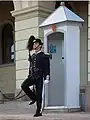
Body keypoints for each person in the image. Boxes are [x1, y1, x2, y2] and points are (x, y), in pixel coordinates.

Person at [21, 38, 50, 117]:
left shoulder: (43, 56)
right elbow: (31, 67)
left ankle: (39, 111)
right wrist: (29, 75)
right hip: (33, 76)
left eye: (36, 44)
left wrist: (47, 77)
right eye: (34, 44)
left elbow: (46, 67)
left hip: (40, 77)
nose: (34, 45)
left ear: (40, 46)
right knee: (24, 85)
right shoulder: (33, 56)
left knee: (39, 94)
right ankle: (33, 98)